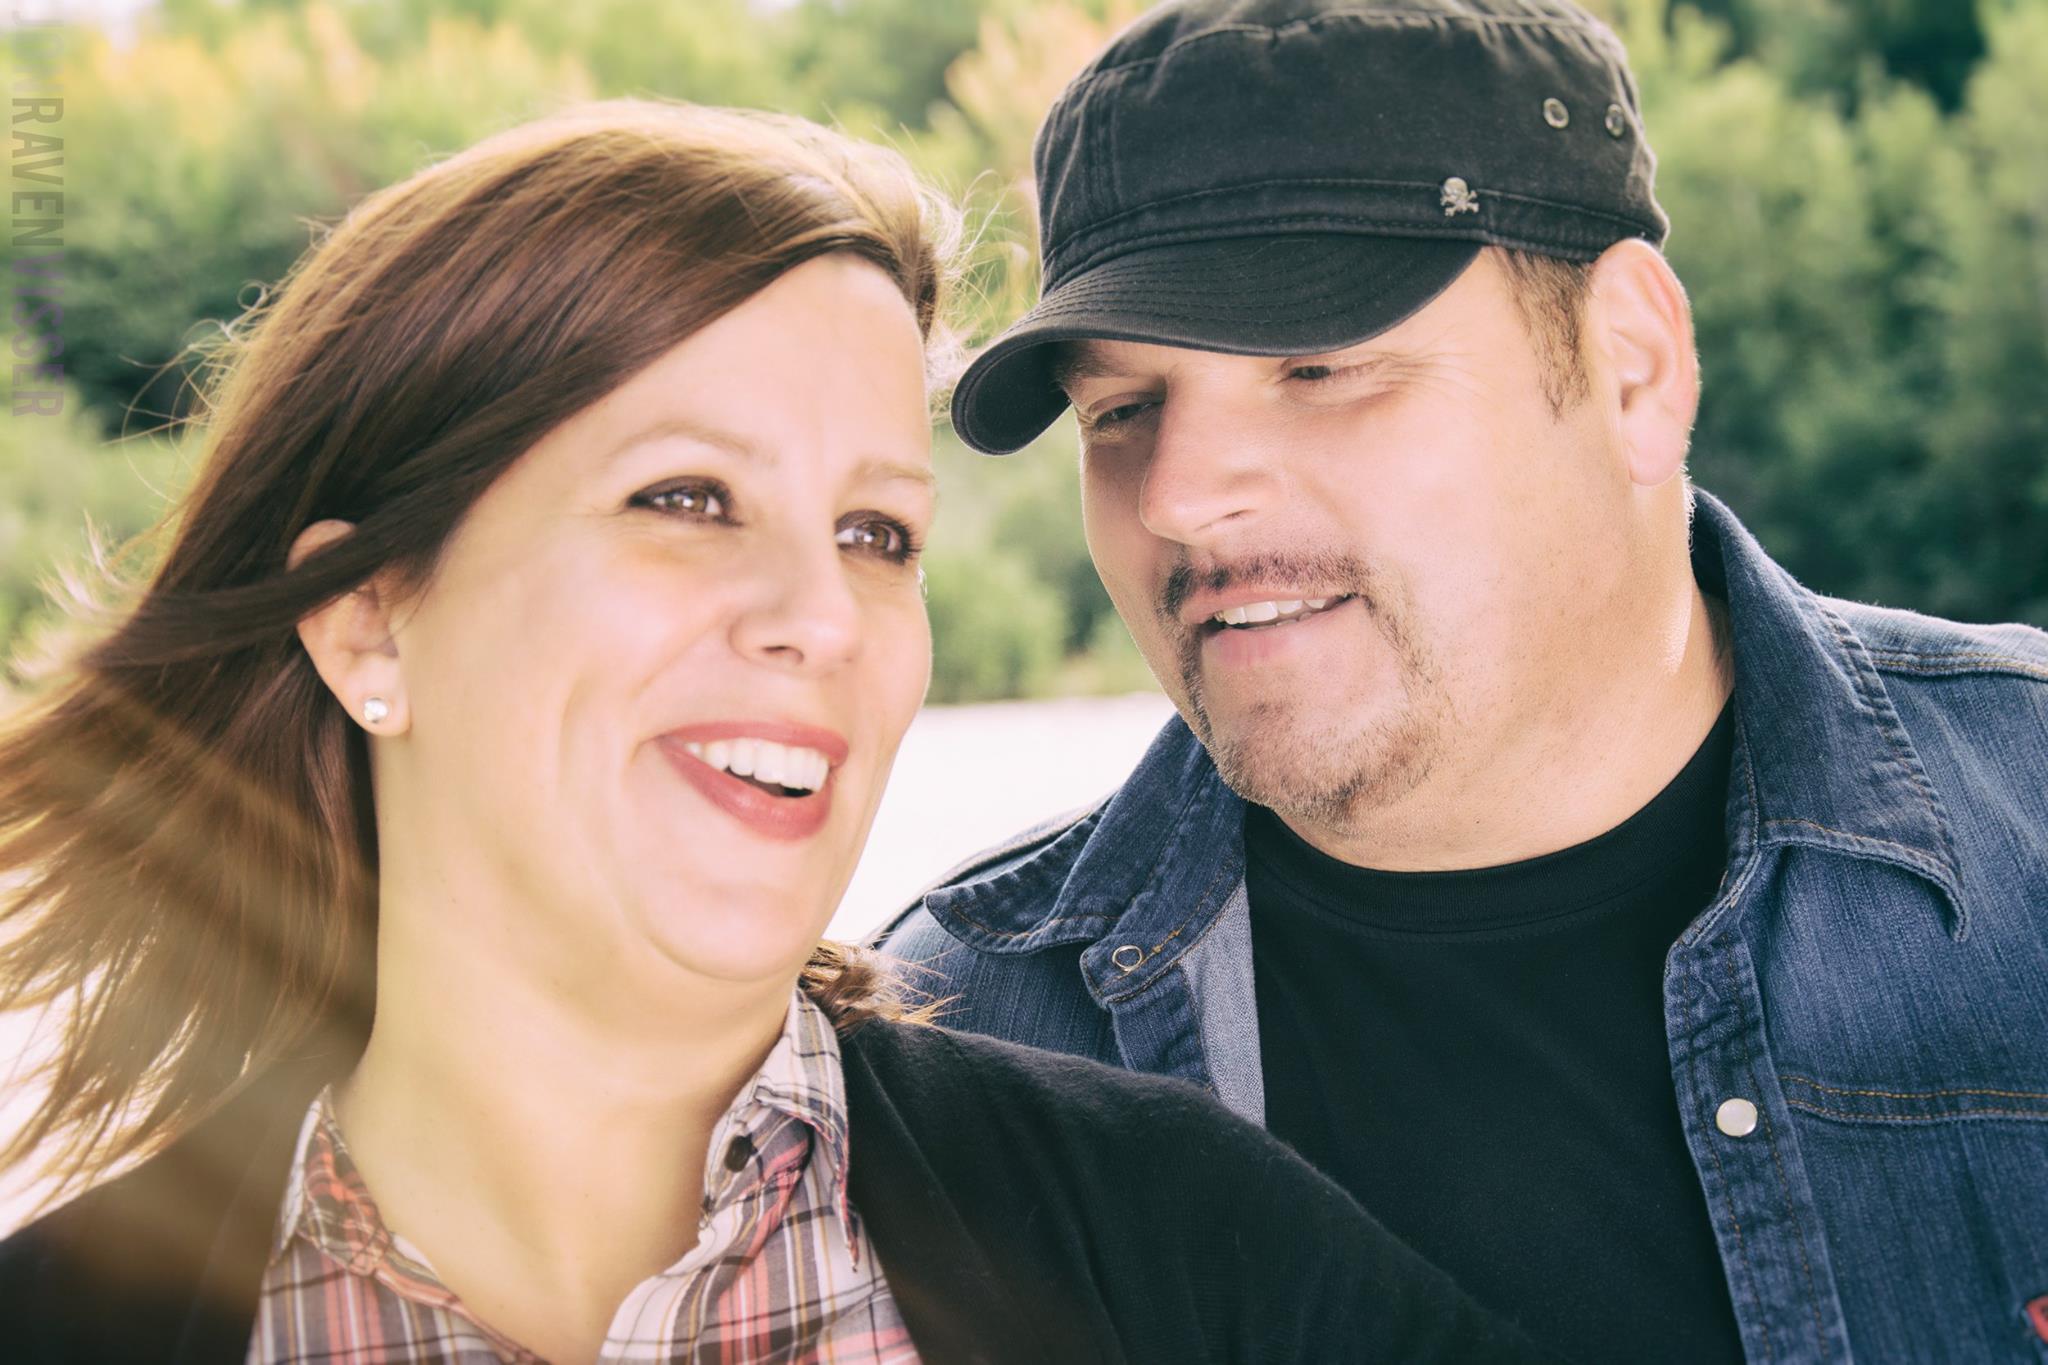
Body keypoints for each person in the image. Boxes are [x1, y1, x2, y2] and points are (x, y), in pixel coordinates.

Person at [0, 99, 1552, 1363]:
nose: (823, 615)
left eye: (878, 534)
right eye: (687, 497)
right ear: (369, 621)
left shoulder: (1197, 1253)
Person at [877, 2, 2048, 1362]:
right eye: (1121, 411)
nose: (1178, 497)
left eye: (1320, 367)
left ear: (1632, 369)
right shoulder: (945, 1058)